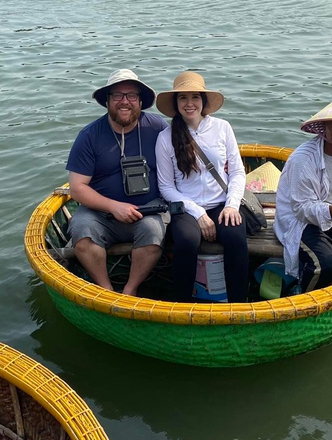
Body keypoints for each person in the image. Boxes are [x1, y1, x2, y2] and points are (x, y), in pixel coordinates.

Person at [67, 69, 169, 296]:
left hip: (148, 210)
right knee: (82, 232)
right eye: (117, 96)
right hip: (100, 214)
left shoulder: (158, 128)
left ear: (141, 101)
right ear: (107, 101)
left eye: (132, 96)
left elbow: (179, 161)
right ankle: (107, 289)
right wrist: (114, 206)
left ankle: (130, 289)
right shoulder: (89, 136)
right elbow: (77, 187)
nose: (125, 102)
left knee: (153, 232)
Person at [155, 71, 249, 303]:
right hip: (187, 207)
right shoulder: (165, 138)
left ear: (203, 102)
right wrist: (198, 214)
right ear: (176, 103)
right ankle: (181, 304)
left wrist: (232, 206)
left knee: (236, 237)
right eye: (183, 98)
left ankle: (238, 304)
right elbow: (166, 187)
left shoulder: (222, 127)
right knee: (187, 241)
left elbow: (237, 172)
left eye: (195, 97)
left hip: (222, 202)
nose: (189, 104)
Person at [274, 102, 332, 292]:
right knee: (323, 263)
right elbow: (301, 209)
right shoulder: (305, 158)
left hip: (327, 213)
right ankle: (305, 301)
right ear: (324, 128)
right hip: (299, 220)